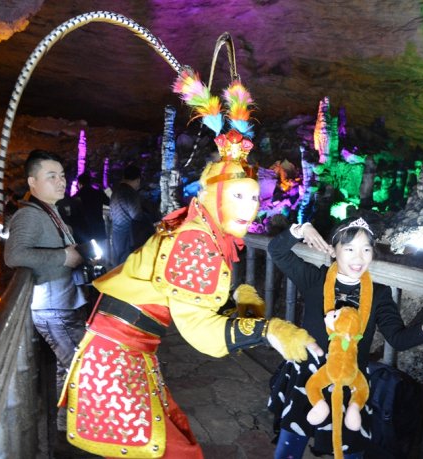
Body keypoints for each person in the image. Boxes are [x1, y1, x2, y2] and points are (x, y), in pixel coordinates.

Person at [58, 68, 323, 458]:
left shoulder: (201, 227)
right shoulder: (197, 240)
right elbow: (201, 334)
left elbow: (193, 301)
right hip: (117, 356)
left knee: (172, 440)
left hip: (128, 348)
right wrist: (270, 330)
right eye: (238, 196)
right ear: (216, 196)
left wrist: (240, 309)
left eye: (254, 198)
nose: (250, 209)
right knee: (174, 450)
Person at [267, 216, 423, 459]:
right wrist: (301, 230)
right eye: (349, 249)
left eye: (366, 249)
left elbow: (397, 338)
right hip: (309, 376)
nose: (359, 257)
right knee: (291, 444)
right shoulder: (315, 280)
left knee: (351, 448)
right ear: (333, 250)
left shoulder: (378, 294)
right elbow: (276, 251)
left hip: (351, 381)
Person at [3, 149, 88, 435]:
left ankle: (66, 423)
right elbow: (14, 255)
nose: (61, 181)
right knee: (81, 363)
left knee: (68, 365)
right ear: (32, 182)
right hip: (53, 307)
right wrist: (63, 257)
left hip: (63, 301)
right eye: (51, 176)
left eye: (62, 175)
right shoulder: (29, 215)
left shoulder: (50, 211)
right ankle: (79, 426)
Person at [110, 164, 148, 266]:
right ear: (138, 180)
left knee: (119, 265)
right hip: (129, 236)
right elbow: (136, 215)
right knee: (128, 265)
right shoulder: (130, 193)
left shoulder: (116, 191)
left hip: (116, 234)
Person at [73, 172, 110, 249]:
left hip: (84, 230)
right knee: (101, 249)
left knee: (88, 252)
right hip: (98, 228)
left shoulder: (76, 196)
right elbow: (109, 202)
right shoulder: (98, 193)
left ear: (79, 184)